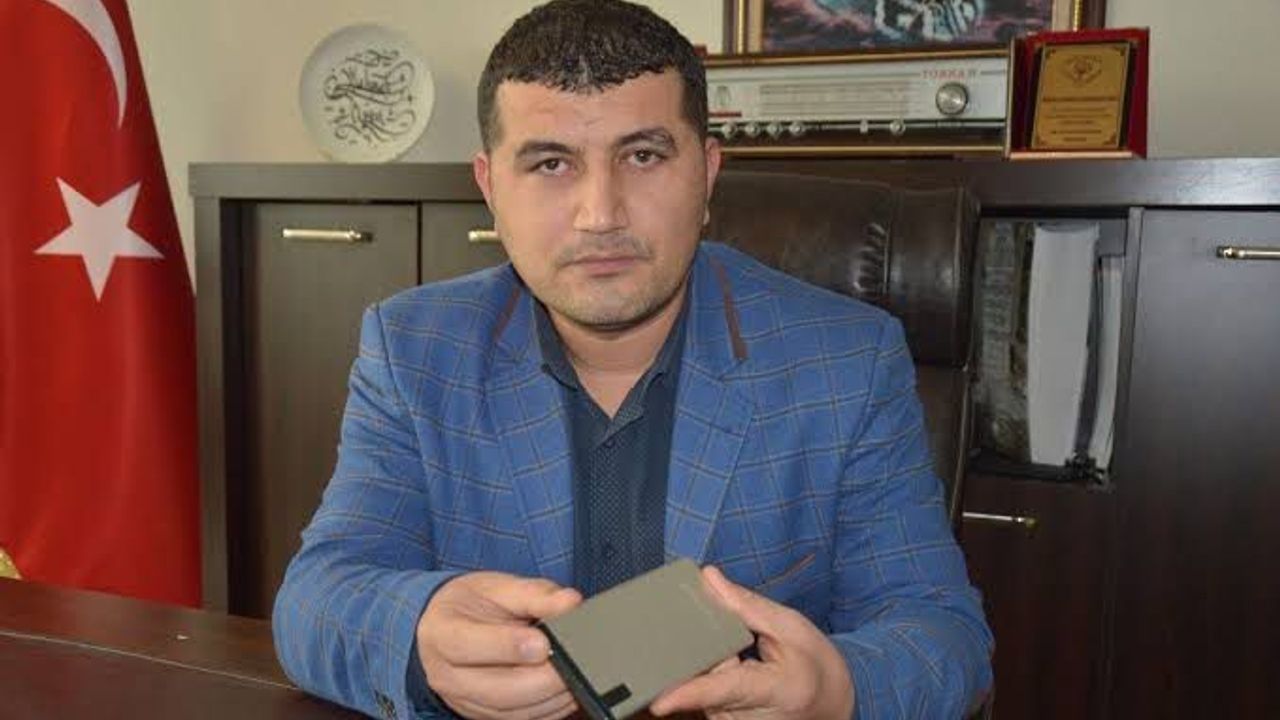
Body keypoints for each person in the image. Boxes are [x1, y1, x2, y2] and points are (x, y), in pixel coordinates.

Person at [273, 1, 993, 718]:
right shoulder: (415, 349)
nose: (601, 214)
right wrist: (418, 635)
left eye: (643, 156)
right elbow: (316, 598)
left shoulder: (847, 363)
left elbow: (942, 634)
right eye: (551, 163)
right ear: (490, 189)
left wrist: (836, 690)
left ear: (707, 173)